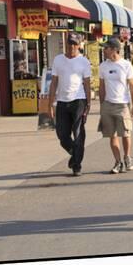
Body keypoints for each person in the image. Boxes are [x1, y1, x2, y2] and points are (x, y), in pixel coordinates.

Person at [48, 32, 92, 176]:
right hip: (62, 101)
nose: (71, 47)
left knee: (78, 133)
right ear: (66, 44)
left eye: (74, 44)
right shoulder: (58, 60)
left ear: (79, 45)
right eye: (70, 43)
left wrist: (88, 103)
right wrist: (50, 104)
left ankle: (77, 165)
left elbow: (86, 83)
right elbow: (54, 82)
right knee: (62, 134)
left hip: (79, 100)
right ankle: (75, 153)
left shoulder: (84, 61)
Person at [98, 37, 133, 174]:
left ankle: (127, 157)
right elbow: (101, 87)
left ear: (114, 49)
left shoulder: (126, 65)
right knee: (112, 135)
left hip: (122, 104)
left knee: (126, 134)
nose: (104, 50)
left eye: (106, 48)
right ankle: (117, 161)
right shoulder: (103, 66)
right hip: (108, 104)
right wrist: (102, 105)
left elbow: (132, 87)